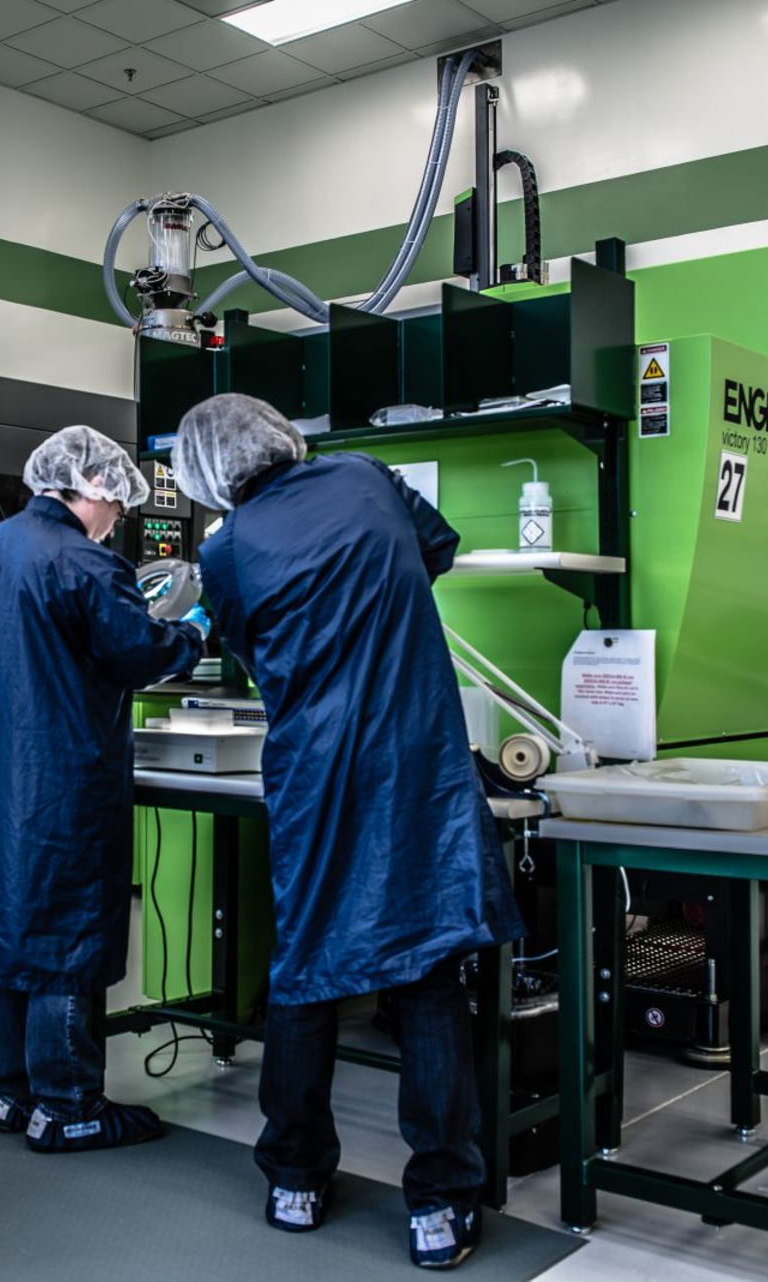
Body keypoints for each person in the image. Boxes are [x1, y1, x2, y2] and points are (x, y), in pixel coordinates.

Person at [172, 394, 525, 1270]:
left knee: (307, 972)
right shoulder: (367, 478)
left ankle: (295, 1181)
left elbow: (249, 648)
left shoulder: (224, 552)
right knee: (427, 972)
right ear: (281, 435)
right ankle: (441, 1206)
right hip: (418, 765)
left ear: (210, 475)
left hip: (318, 774)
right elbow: (433, 552)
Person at [0, 426, 210, 1153]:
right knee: (63, 932)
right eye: (119, 505)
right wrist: (194, 634)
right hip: (62, 778)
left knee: (13, 928)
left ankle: (13, 1093)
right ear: (98, 489)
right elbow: (138, 652)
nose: (119, 520)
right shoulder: (86, 561)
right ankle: (71, 1105)